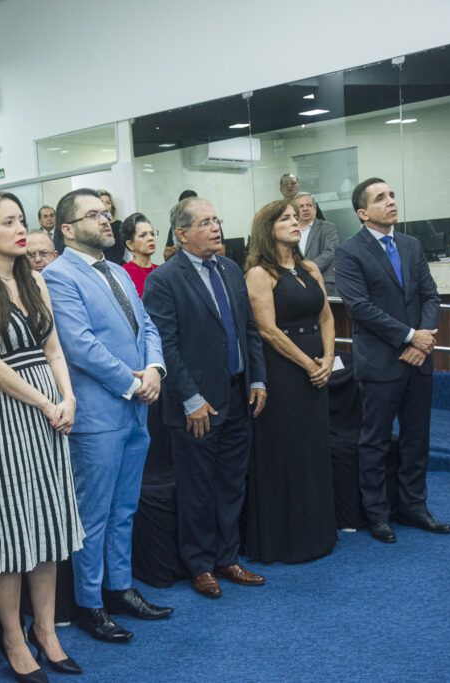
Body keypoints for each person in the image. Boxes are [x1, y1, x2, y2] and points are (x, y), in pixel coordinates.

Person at [0, 190, 84, 681]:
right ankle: (13, 637)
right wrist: (48, 402)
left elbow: (54, 349)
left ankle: (46, 632)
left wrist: (68, 398)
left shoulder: (34, 278)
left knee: (48, 527)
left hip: (49, 413)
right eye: (8, 222)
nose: (20, 228)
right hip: (3, 416)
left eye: (22, 219)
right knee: (9, 533)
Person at [44, 189, 171, 646]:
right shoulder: (58, 275)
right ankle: (89, 603)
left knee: (125, 508)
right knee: (94, 514)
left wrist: (155, 368)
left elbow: (149, 327)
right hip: (99, 412)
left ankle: (120, 589)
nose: (105, 220)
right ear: (66, 229)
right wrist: (134, 382)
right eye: (93, 215)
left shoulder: (117, 270)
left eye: (106, 213)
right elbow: (79, 345)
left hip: (136, 408)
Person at [142, 196, 268, 599]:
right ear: (181, 234)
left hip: (237, 394)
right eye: (205, 223)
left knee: (231, 482)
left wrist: (257, 379)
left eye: (217, 220)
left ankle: (227, 557)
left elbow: (249, 330)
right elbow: (166, 346)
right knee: (197, 488)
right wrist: (190, 399)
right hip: (197, 404)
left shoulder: (231, 269)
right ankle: (199, 565)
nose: (216, 228)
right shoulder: (165, 278)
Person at [335, 177, 450, 543]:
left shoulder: (412, 245)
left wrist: (422, 340)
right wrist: (407, 336)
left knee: (417, 439)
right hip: (381, 363)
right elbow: (360, 308)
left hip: (419, 359)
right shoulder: (349, 252)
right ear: (363, 213)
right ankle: (378, 514)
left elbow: (431, 297)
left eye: (392, 195)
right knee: (376, 441)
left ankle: (415, 507)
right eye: (380, 198)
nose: (391, 201)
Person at [243, 200, 336, 563]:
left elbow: (326, 317)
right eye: (285, 219)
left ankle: (318, 533)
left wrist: (327, 359)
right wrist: (308, 364)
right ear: (268, 228)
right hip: (283, 373)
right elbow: (267, 330)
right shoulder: (258, 274)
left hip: (317, 366)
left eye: (296, 218)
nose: (295, 223)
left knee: (314, 449)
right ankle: (289, 540)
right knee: (288, 451)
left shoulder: (309, 266)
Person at [294, 192, 339, 295]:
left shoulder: (327, 227)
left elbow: (329, 253)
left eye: (309, 205)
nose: (305, 208)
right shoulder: (291, 231)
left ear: (315, 208)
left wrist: (304, 268)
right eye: (301, 206)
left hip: (322, 281)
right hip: (296, 283)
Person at [121, 212, 158, 297]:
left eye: (152, 234)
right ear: (130, 244)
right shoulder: (123, 274)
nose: (150, 238)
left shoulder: (162, 271)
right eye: (143, 235)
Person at [165, 190, 197, 261]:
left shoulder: (208, 224)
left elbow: (220, 253)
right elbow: (166, 256)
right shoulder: (176, 227)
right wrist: (173, 251)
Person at [97, 189, 125, 264]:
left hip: (115, 265)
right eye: (101, 202)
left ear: (111, 207)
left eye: (108, 203)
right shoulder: (91, 227)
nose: (104, 205)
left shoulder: (117, 225)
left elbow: (119, 252)